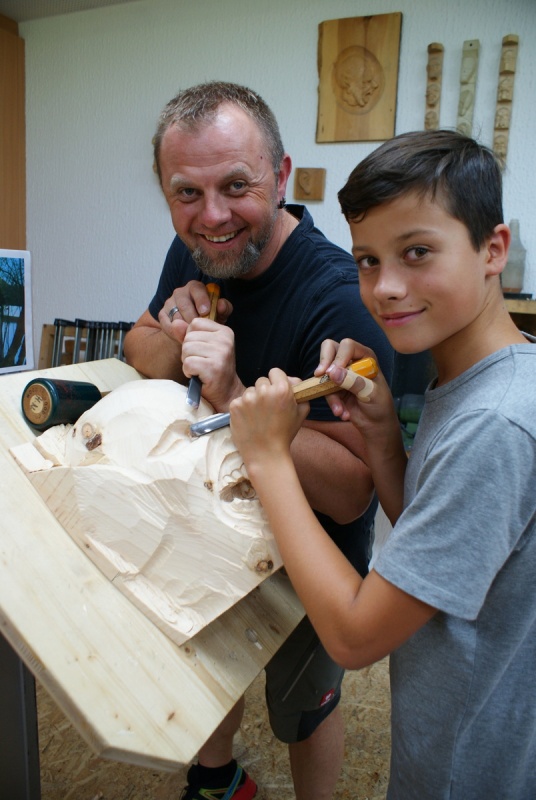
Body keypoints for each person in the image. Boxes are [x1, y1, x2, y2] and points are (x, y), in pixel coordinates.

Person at [229, 130, 536, 799]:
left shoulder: (494, 423)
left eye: (417, 252)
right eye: (367, 260)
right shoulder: (478, 379)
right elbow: (439, 550)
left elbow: (353, 637)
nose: (386, 288)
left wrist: (269, 458)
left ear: (493, 250)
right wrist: (381, 439)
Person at [123, 81, 393, 800]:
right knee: (209, 667)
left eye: (236, 186)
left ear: (280, 176)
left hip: (312, 555)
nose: (212, 215)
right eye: (187, 193)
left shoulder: (338, 295)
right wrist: (175, 336)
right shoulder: (198, 248)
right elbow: (137, 345)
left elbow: (350, 491)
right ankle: (218, 780)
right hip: (210, 519)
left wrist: (233, 391)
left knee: (305, 707)